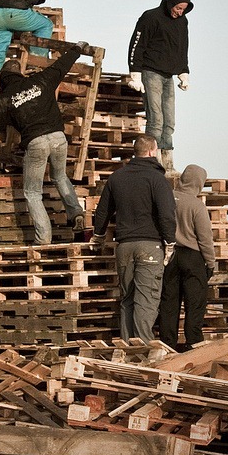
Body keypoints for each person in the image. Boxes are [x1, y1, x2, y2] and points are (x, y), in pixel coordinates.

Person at [0, 44, 87, 245]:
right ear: (20, 74)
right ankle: (76, 213)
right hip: (59, 137)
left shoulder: (4, 99)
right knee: (59, 176)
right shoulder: (41, 80)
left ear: (2, 81)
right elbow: (61, 66)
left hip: (36, 142)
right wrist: (77, 49)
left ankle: (43, 237)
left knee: (33, 192)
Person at [90, 134, 177, 341]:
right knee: (146, 300)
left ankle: (128, 349)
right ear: (151, 151)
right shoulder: (157, 179)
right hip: (150, 246)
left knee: (127, 299)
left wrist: (98, 235)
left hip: (124, 247)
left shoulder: (117, 177)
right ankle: (143, 351)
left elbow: (103, 211)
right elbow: (166, 214)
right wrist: (170, 242)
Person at [126, 0, 194, 176]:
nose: (180, 12)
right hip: (151, 72)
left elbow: (183, 47)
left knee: (169, 121)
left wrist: (184, 72)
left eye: (183, 9)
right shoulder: (151, 17)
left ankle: (168, 165)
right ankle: (152, 164)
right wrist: (135, 73)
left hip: (169, 75)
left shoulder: (182, 22)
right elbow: (136, 44)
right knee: (156, 119)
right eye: (178, 8)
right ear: (170, 3)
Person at [158, 164, 216, 351]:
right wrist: (210, 263)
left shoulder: (167, 199)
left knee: (169, 303)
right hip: (193, 258)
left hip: (170, 256)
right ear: (199, 183)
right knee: (195, 304)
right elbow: (205, 238)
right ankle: (193, 344)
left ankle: (167, 346)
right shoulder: (197, 206)